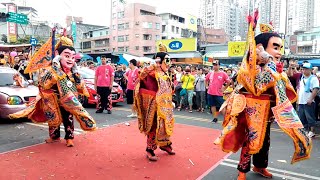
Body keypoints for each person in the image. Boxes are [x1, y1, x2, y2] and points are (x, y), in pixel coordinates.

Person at [214, 19, 312, 180]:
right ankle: (242, 170)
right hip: (250, 112)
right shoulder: (249, 69)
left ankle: (259, 166)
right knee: (250, 140)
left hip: (267, 112)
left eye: (280, 47)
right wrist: (270, 68)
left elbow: (285, 90)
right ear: (260, 48)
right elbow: (256, 86)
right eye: (275, 47)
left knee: (265, 142)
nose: (279, 52)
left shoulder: (275, 68)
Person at [9, 35, 96, 147]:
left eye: (73, 57)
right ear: (58, 56)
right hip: (53, 98)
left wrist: (76, 72)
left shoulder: (73, 72)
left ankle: (69, 137)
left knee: (68, 118)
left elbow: (80, 86)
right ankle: (54, 136)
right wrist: (55, 67)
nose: (70, 59)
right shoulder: (50, 69)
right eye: (67, 56)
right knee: (52, 118)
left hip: (68, 99)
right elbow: (44, 83)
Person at [134, 43, 175, 161]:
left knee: (165, 126)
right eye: (166, 60)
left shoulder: (166, 73)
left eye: (169, 60)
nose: (169, 63)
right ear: (160, 61)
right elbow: (141, 79)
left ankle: (165, 144)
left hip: (165, 106)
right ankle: (150, 149)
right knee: (153, 127)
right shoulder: (152, 73)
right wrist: (149, 68)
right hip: (155, 106)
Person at [297, 62, 319, 138]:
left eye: (306, 69)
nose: (304, 70)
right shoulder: (302, 78)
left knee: (310, 117)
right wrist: (298, 99)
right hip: (301, 101)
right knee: (301, 117)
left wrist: (310, 99)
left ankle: (312, 131)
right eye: (303, 69)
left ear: (310, 70)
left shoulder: (313, 78)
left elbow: (315, 89)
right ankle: (305, 131)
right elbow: (299, 89)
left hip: (308, 101)